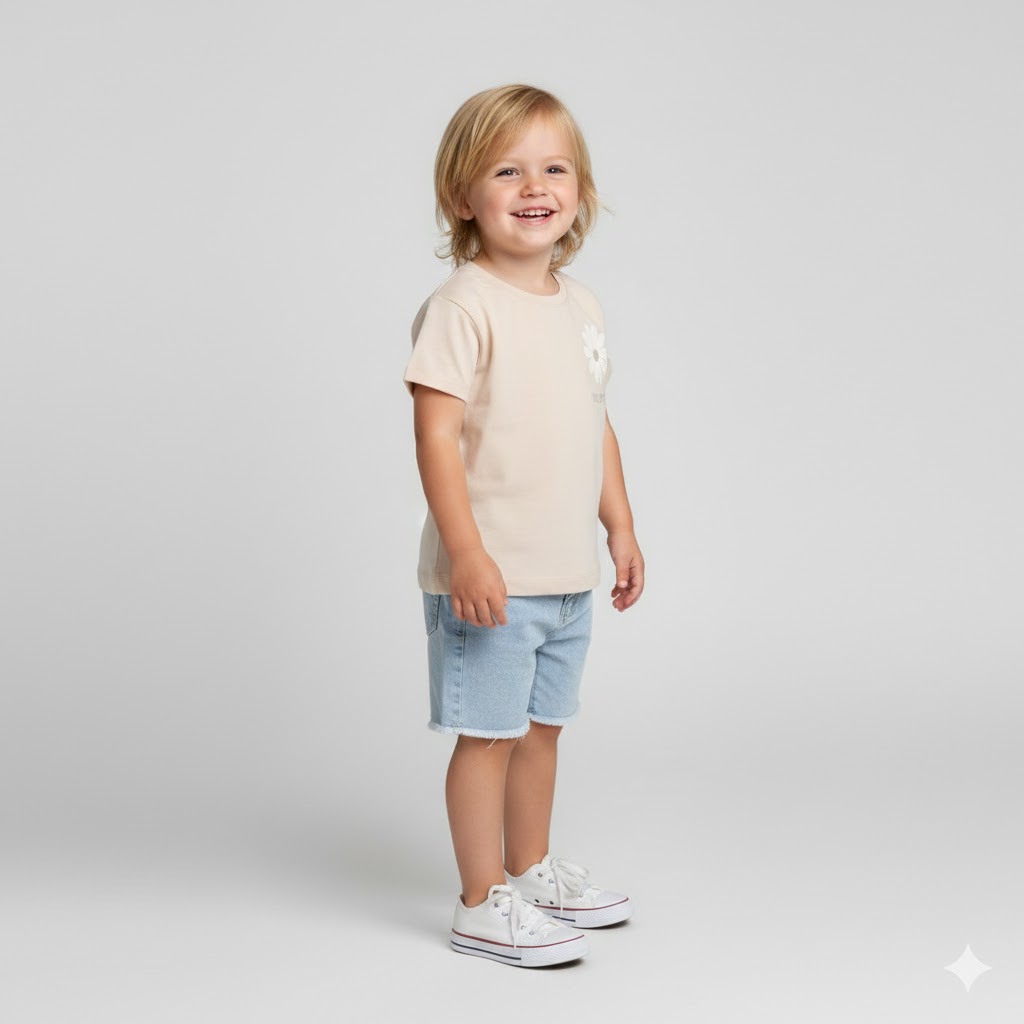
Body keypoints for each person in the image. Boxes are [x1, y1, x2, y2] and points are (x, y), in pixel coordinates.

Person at [402, 83, 645, 969]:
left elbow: (595, 422)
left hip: (566, 574)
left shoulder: (582, 307)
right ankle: (479, 902)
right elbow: (434, 434)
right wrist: (467, 552)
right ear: (463, 196)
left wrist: (620, 526)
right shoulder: (463, 305)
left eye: (554, 169)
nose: (535, 187)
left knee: (544, 729)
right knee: (489, 737)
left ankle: (531, 868)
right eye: (507, 171)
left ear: (580, 190)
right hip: (493, 580)